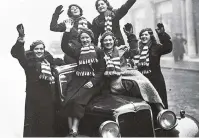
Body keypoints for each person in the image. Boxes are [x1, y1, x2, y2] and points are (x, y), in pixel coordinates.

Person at [100, 31, 164, 112]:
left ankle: (159, 108)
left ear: (114, 41)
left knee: (145, 83)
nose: (108, 42)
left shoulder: (120, 50)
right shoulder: (100, 54)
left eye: (110, 40)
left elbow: (134, 52)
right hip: (112, 77)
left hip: (127, 72)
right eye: (105, 40)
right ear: (102, 42)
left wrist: (131, 36)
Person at [60, 24, 106, 137]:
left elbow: (101, 69)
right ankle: (70, 129)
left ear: (91, 38)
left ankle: (75, 126)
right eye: (82, 38)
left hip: (92, 81)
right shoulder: (78, 50)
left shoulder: (98, 51)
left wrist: (93, 82)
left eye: (87, 37)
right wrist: (67, 31)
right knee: (68, 99)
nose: (85, 40)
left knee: (77, 101)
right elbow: (64, 47)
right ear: (80, 39)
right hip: (77, 80)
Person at [11, 24, 56, 137]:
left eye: (41, 48)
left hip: (47, 95)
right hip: (33, 95)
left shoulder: (49, 60)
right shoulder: (28, 62)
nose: (39, 51)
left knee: (47, 121)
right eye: (37, 49)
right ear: (33, 50)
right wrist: (21, 38)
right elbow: (15, 53)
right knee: (31, 122)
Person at [128, 23, 172, 109]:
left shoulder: (156, 47)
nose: (143, 36)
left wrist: (162, 34)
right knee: (145, 105)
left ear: (150, 36)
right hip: (142, 80)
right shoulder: (137, 49)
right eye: (142, 35)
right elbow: (130, 54)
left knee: (159, 103)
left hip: (156, 80)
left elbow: (168, 47)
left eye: (146, 34)